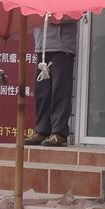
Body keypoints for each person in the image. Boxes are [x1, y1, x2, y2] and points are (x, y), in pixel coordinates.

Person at [25, 18, 77, 147]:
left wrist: (53, 16)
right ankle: (42, 130)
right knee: (42, 91)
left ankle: (59, 132)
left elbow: (75, 14)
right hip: (41, 46)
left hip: (62, 47)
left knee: (60, 90)